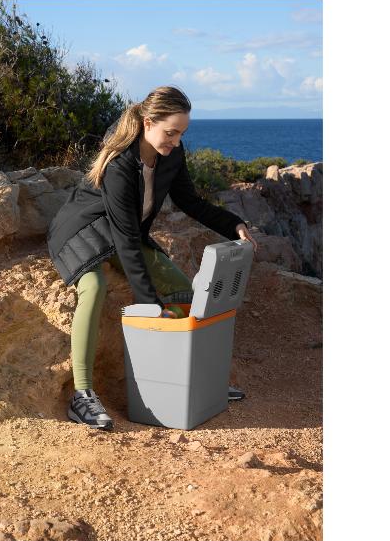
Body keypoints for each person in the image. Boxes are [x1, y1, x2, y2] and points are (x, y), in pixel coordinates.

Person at [47, 86, 258, 431]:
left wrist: (232, 224)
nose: (175, 141)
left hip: (124, 230)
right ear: (148, 123)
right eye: (170, 132)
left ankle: (194, 381)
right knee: (95, 286)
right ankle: (82, 394)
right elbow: (127, 240)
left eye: (181, 133)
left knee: (185, 291)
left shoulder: (171, 154)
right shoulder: (119, 165)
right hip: (81, 230)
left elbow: (190, 201)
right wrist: (149, 305)